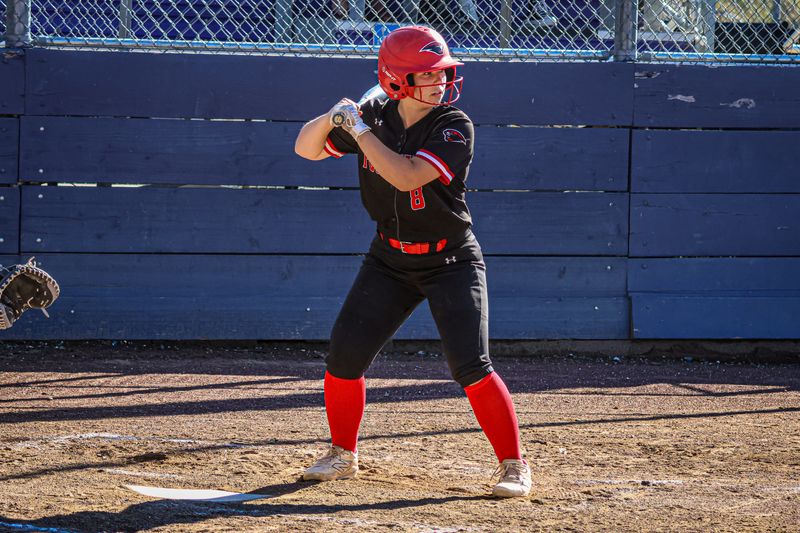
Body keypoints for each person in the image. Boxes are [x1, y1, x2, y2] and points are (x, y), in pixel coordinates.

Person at [293, 25, 531, 498]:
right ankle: (342, 454)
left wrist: (357, 130)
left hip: (451, 258)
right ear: (397, 80)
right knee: (344, 356)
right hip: (389, 257)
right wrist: (334, 116)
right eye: (426, 74)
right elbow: (306, 148)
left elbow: (405, 177)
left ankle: (513, 465)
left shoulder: (453, 125)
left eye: (442, 71)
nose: (439, 81)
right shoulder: (375, 115)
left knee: (471, 365)